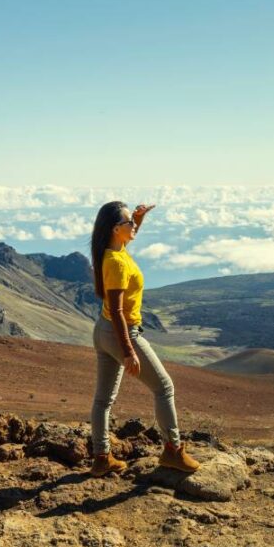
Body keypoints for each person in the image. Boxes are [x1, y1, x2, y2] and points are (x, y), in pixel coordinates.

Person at [88, 200, 200, 477]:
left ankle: (101, 457)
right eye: (129, 223)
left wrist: (137, 219)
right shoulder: (116, 263)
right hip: (120, 332)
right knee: (164, 387)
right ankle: (173, 451)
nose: (134, 226)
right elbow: (116, 310)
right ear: (116, 229)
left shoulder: (113, 250)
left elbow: (127, 237)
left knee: (103, 401)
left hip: (102, 331)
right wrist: (128, 350)